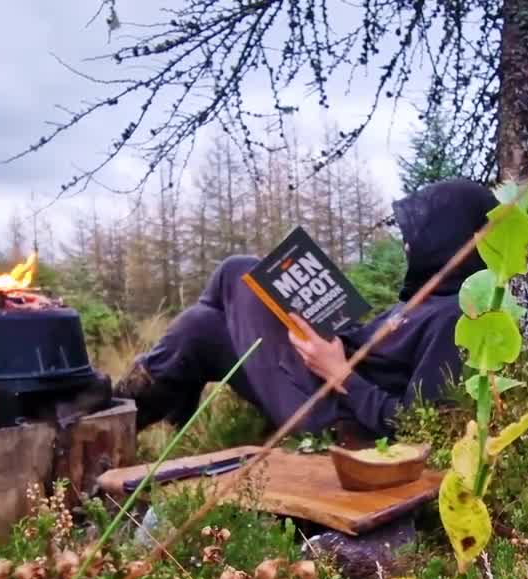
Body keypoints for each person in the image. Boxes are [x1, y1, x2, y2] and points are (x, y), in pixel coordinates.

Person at [113, 177, 499, 442]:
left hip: (333, 417)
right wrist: (331, 327)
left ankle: (163, 406)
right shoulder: (423, 300)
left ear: (448, 238)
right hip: (322, 385)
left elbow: (416, 425)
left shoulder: (455, 316)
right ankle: (115, 421)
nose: (407, 245)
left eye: (418, 233)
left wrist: (340, 373)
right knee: (201, 329)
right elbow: (379, 357)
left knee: (237, 271)